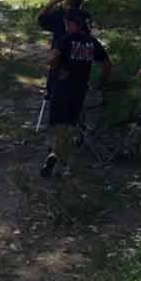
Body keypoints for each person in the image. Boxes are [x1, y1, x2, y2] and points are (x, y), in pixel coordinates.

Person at [43, 9, 111, 178]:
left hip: (63, 88)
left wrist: (58, 68)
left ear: (75, 24)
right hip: (80, 89)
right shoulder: (91, 42)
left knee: (60, 126)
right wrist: (100, 83)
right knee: (71, 125)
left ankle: (59, 160)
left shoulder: (65, 40)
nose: (65, 26)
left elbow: (50, 60)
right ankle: (59, 158)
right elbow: (107, 64)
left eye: (67, 23)